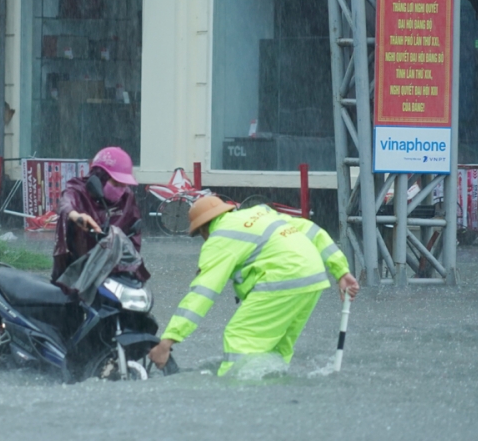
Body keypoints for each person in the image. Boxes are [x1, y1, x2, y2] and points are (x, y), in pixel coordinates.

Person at [148, 196, 359, 376]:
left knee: (239, 337)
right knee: (277, 348)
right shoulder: (260, 214)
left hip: (282, 278)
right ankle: (273, 392)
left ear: (203, 229)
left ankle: (234, 397)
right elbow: (312, 230)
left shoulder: (220, 238)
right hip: (312, 276)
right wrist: (341, 271)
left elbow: (202, 293)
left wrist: (168, 341)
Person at [51, 146, 145, 282]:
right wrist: (76, 216)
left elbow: (133, 238)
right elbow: (66, 203)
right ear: (101, 178)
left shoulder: (127, 196)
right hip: (78, 271)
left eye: (124, 184)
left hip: (113, 273)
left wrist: (132, 269)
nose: (121, 189)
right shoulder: (78, 191)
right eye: (116, 183)